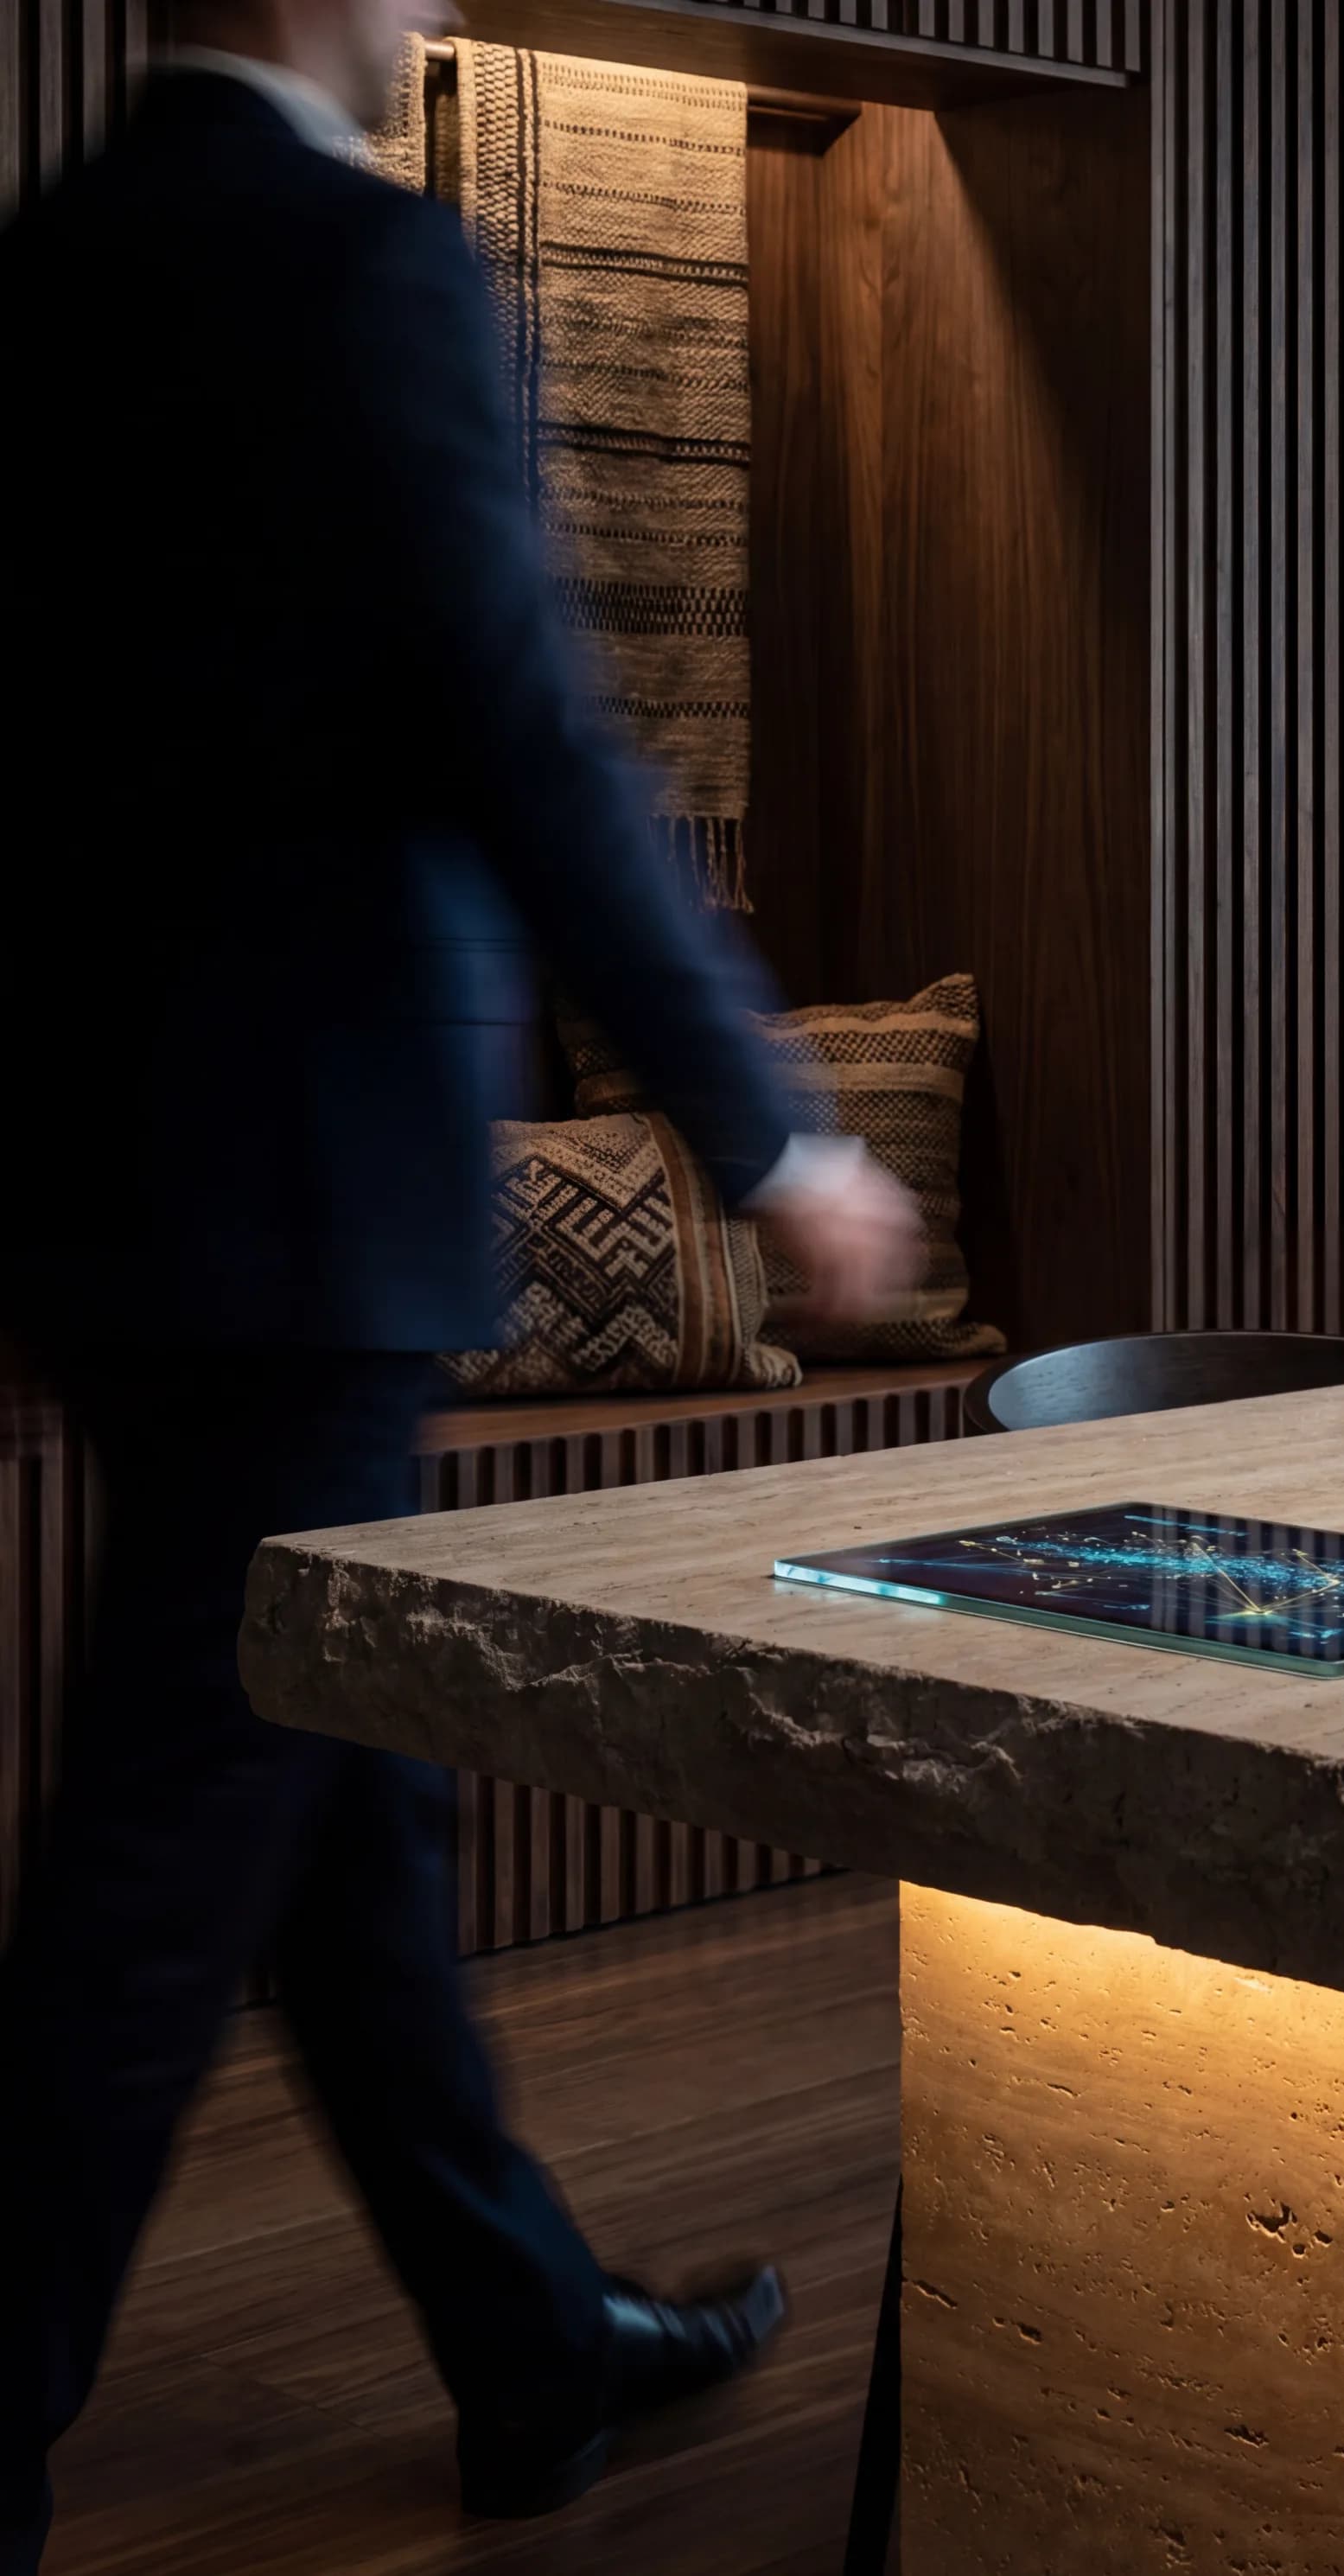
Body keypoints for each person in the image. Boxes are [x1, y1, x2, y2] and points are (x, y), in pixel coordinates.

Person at [0, 0, 922, 2559]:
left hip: (120, 1206)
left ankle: (534, 2345)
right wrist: (776, 1133)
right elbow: (525, 729)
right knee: (164, 1866)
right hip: (317, 1211)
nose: (422, 13)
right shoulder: (369, 267)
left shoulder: (48, 269)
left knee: (343, 1814)